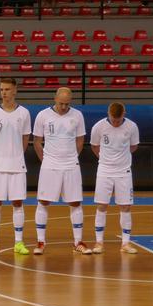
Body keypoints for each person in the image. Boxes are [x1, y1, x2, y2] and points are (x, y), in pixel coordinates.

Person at [32, 87, 89, 255]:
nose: (64, 107)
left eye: (67, 104)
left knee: (75, 202)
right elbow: (36, 141)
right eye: (61, 103)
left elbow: (80, 139)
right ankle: (41, 242)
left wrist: (72, 158)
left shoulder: (77, 115)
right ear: (55, 99)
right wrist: (46, 160)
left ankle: (78, 241)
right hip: (50, 165)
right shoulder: (43, 115)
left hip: (71, 165)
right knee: (43, 201)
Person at [0, 79, 32, 255]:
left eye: (7, 89)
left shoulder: (24, 113)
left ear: (15, 91)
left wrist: (17, 154)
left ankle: (19, 242)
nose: (4, 93)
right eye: (1, 89)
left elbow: (26, 137)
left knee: (17, 203)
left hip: (17, 165)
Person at [90, 102, 140, 254]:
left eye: (118, 120)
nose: (115, 122)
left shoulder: (132, 127)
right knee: (101, 205)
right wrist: (106, 160)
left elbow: (133, 146)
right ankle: (99, 243)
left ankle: (125, 243)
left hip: (123, 171)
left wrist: (121, 159)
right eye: (113, 119)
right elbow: (94, 146)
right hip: (104, 171)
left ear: (124, 114)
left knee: (125, 207)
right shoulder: (99, 127)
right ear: (108, 114)